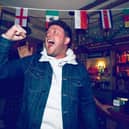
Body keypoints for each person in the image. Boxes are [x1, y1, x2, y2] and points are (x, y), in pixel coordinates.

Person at [0, 20, 98, 129]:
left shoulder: (79, 70)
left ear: (66, 40)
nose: (48, 36)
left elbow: (88, 106)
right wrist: (6, 38)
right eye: (47, 34)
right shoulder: (32, 62)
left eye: (55, 32)